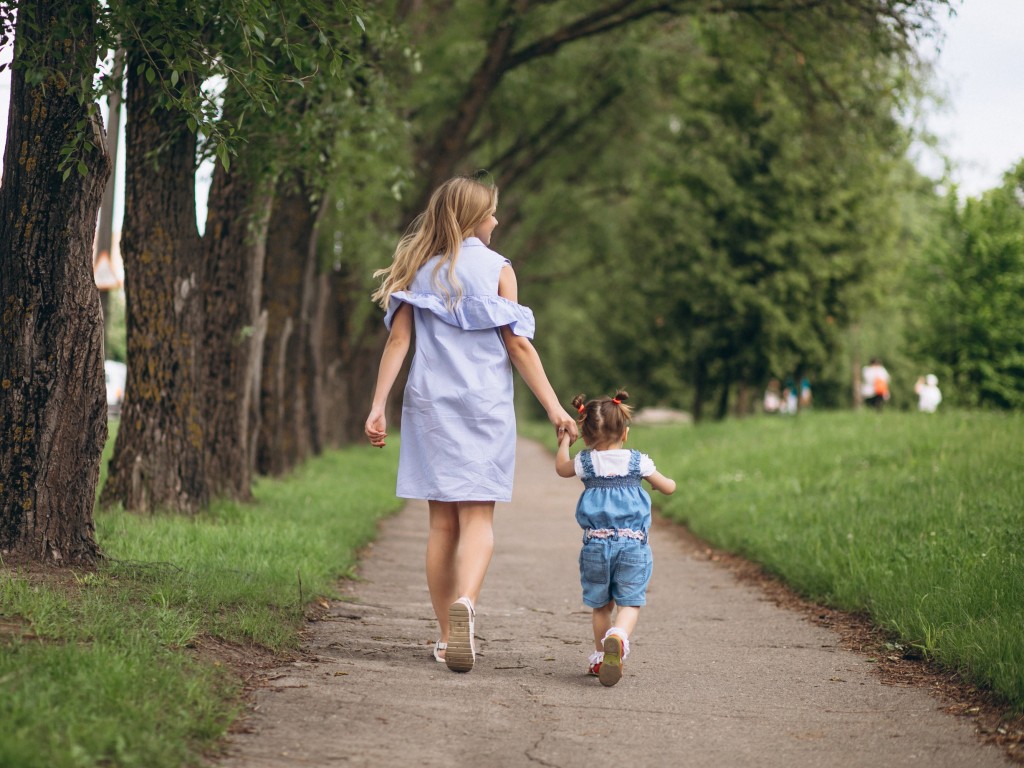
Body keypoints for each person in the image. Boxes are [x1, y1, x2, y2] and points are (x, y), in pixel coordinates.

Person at [364, 176, 577, 674]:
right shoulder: (499, 269)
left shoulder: (420, 269)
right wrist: (554, 409)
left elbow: (398, 344)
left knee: (441, 523)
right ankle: (468, 606)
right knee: (478, 519)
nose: (497, 220)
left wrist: (377, 406)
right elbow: (518, 346)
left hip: (430, 405)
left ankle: (445, 636)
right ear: (474, 218)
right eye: (492, 213)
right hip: (484, 406)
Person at [554, 390, 676, 687]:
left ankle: (600, 656)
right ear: (626, 432)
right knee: (630, 603)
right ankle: (619, 638)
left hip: (596, 545)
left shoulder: (586, 462)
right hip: (633, 545)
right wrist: (661, 484)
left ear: (586, 435)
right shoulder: (638, 462)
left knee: (601, 605)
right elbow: (669, 487)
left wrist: (564, 443)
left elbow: (561, 468)